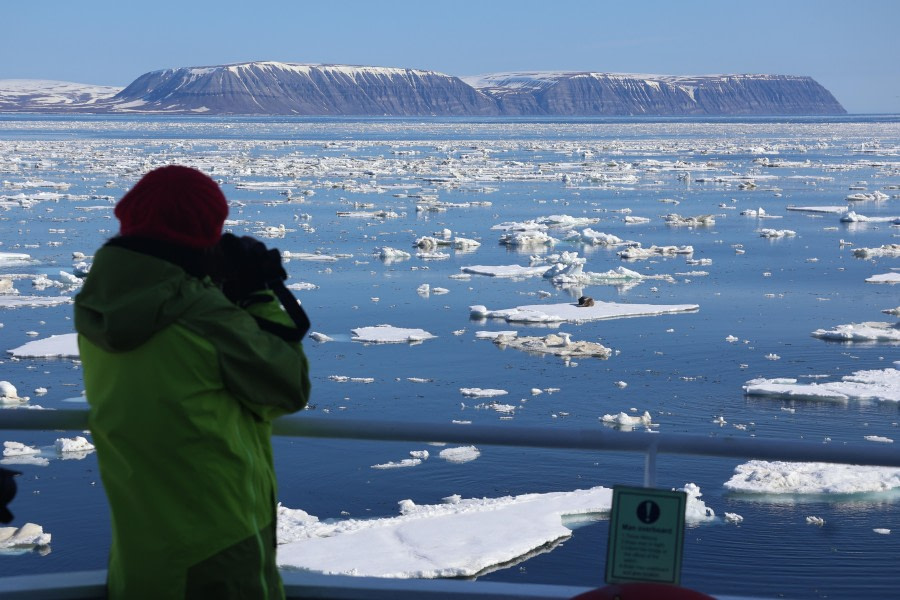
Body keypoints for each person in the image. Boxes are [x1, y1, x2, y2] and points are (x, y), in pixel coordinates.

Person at [74, 165, 311, 599]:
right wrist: (257, 294)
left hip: (141, 546)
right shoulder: (203, 316)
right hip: (218, 541)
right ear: (204, 231)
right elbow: (288, 386)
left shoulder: (101, 305)